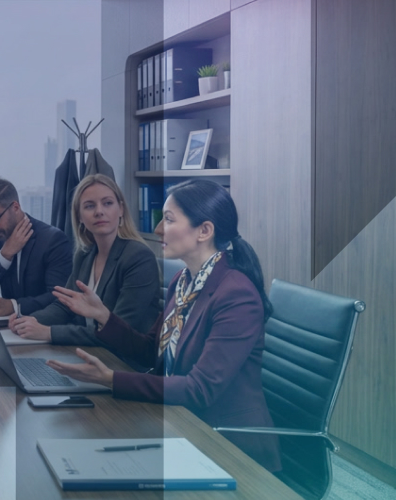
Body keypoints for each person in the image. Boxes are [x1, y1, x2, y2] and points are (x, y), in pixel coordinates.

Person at [45, 179, 280, 472]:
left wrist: (111, 379)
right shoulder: (182, 282)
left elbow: (199, 390)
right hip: (177, 423)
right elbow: (150, 352)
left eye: (168, 220)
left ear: (204, 231)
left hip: (226, 446)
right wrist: (106, 317)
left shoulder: (235, 294)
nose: (157, 230)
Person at [7, 174, 160, 346]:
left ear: (121, 209)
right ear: (79, 216)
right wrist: (27, 321)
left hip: (123, 360)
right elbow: (64, 306)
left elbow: (119, 330)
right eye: (89, 206)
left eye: (108, 203)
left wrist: (49, 332)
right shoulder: (85, 255)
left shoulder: (138, 257)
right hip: (88, 351)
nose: (99, 211)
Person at [0, 178, 74, 316]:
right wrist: (4, 255)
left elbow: (59, 297)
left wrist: (14, 306)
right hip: (8, 328)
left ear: (15, 208)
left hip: (43, 327)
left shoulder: (52, 240)